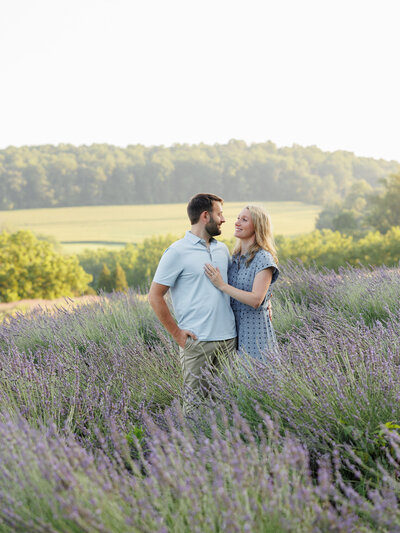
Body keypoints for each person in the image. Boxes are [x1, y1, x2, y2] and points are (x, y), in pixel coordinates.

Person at [148, 193, 237, 415]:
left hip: (229, 341)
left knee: (228, 406)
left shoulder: (222, 249)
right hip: (198, 343)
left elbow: (235, 288)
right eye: (220, 214)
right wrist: (177, 333)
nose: (224, 219)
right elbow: (155, 296)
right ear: (205, 216)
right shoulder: (177, 252)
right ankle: (194, 449)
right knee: (195, 409)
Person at [204, 205, 279, 361]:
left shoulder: (263, 258)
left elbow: (256, 300)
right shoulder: (236, 258)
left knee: (259, 382)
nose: (237, 223)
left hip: (256, 336)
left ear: (257, 227)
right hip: (232, 334)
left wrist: (222, 285)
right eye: (238, 218)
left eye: (244, 220)